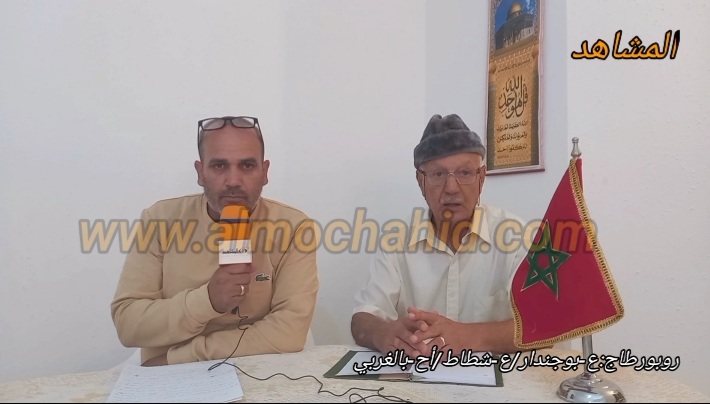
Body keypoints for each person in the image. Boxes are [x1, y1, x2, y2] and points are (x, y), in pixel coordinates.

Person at [111, 116, 319, 366]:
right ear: (201, 173)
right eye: (219, 166)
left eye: (247, 166)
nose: (233, 181)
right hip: (168, 377)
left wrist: (181, 356)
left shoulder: (294, 227)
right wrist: (207, 300)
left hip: (249, 368)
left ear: (264, 172)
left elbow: (289, 331)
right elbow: (128, 324)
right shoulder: (159, 220)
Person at [351, 113, 527, 358]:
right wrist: (383, 333)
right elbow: (363, 316)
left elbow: (544, 326)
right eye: (438, 174)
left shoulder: (516, 236)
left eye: (465, 173)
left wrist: (466, 336)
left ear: (481, 178)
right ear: (420, 181)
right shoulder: (396, 240)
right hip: (418, 371)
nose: (452, 188)